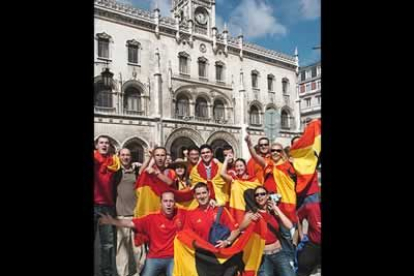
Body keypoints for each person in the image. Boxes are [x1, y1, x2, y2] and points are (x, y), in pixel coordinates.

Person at [100, 191, 184, 276]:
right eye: (165, 201)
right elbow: (130, 223)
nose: (168, 204)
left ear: (174, 203)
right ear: (160, 203)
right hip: (154, 258)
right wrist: (112, 221)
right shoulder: (152, 219)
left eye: (171, 201)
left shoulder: (181, 217)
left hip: (172, 258)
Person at [239, 186, 295, 276]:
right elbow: (240, 228)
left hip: (279, 253)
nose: (260, 197)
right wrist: (250, 220)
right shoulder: (251, 214)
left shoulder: (273, 212)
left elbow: (289, 225)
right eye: (257, 195)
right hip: (263, 257)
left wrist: (276, 208)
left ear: (267, 195)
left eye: (262, 194)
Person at [116, 148, 146, 276]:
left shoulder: (136, 172)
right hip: (121, 216)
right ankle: (123, 274)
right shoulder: (115, 172)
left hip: (136, 216)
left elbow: (145, 169)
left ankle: (138, 273)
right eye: (123, 155)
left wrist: (149, 156)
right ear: (119, 156)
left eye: (128, 155)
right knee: (122, 249)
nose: (125, 157)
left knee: (138, 249)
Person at [94, 135, 122, 276]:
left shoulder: (115, 163)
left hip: (107, 207)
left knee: (107, 244)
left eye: (107, 143)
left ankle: (106, 272)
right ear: (96, 145)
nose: (104, 145)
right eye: (101, 143)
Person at [183, 182, 240, 248]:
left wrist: (227, 241)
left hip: (221, 253)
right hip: (203, 254)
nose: (201, 196)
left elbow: (235, 230)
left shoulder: (220, 210)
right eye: (198, 194)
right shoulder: (191, 215)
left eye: (204, 193)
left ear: (209, 193)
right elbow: (187, 236)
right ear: (195, 196)